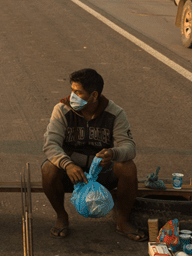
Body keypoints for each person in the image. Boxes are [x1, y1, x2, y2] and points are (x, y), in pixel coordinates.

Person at [41, 68, 143, 241]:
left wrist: (113, 153)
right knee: (48, 168)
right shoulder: (61, 110)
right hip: (72, 174)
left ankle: (123, 221)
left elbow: (130, 147)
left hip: (101, 173)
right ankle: (61, 217)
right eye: (72, 91)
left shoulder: (115, 113)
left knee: (127, 167)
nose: (72, 96)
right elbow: (51, 144)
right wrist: (67, 164)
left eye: (78, 92)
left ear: (94, 95)